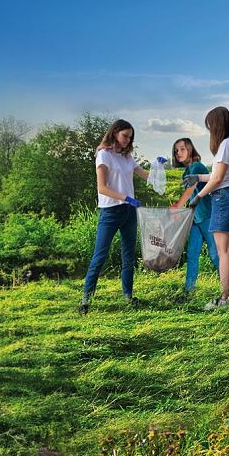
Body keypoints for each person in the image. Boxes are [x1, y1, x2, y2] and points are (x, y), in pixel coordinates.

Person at [81, 119, 152, 314]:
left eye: (130, 138)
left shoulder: (127, 157)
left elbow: (144, 175)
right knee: (100, 255)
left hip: (129, 212)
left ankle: (128, 296)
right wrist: (127, 198)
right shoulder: (104, 155)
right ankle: (86, 299)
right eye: (125, 136)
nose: (127, 141)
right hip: (111, 211)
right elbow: (102, 188)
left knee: (128, 256)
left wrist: (159, 169)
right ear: (114, 133)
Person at [183, 107, 229, 310]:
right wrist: (198, 178)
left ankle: (224, 298)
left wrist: (198, 196)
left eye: (210, 126)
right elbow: (217, 175)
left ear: (217, 125)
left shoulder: (225, 144)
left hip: (224, 198)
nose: (210, 130)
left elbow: (218, 179)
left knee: (224, 252)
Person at [170, 137, 220, 295]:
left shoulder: (197, 166)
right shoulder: (186, 170)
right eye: (176, 150)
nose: (179, 153)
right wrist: (181, 210)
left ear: (190, 150)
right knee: (192, 255)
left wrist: (178, 205)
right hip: (195, 219)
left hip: (208, 216)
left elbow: (191, 189)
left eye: (182, 149)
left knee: (215, 255)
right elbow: (191, 196)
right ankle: (189, 290)